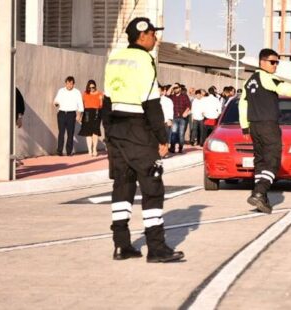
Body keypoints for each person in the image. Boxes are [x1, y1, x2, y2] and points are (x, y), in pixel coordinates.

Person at [104, 17, 183, 263]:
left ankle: (122, 245)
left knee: (122, 185)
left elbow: (106, 100)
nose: (156, 38)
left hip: (116, 128)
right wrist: (162, 137)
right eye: (152, 34)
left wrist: (109, 133)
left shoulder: (114, 58)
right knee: (152, 187)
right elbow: (151, 103)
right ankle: (157, 248)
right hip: (138, 129)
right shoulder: (145, 60)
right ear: (142, 36)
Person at [238, 48, 291, 213]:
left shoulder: (249, 81)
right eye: (272, 62)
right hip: (268, 125)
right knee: (273, 161)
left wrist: (245, 126)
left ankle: (263, 198)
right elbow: (283, 87)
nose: (275, 66)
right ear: (262, 62)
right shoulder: (266, 78)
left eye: (277, 63)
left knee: (260, 161)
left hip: (254, 126)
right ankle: (259, 192)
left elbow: (243, 105)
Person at [53, 76, 83, 156]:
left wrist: (78, 115)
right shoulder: (61, 91)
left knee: (70, 133)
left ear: (74, 84)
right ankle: (59, 151)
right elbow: (56, 100)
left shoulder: (77, 92)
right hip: (62, 113)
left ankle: (69, 151)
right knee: (61, 133)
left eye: (71, 84)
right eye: (68, 83)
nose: (69, 85)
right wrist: (56, 103)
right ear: (65, 83)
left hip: (71, 114)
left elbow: (80, 104)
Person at [78, 80, 103, 157]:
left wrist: (101, 99)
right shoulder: (85, 94)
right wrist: (79, 115)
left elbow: (101, 106)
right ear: (88, 87)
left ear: (95, 86)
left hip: (96, 112)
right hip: (87, 113)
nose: (92, 89)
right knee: (88, 132)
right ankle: (89, 150)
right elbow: (81, 105)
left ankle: (95, 149)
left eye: (93, 87)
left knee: (95, 131)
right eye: (90, 87)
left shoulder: (100, 94)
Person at [168, 83, 190, 153]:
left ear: (180, 88)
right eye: (174, 88)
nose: (175, 89)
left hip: (182, 118)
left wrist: (186, 112)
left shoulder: (184, 96)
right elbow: (167, 94)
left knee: (181, 133)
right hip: (174, 117)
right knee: (173, 133)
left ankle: (180, 148)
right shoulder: (172, 96)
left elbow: (188, 105)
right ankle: (172, 148)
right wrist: (172, 86)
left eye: (176, 88)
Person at [159, 84, 174, 153]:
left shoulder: (168, 100)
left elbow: (171, 110)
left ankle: (164, 152)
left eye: (158, 90)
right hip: (156, 122)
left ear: (162, 91)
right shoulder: (154, 100)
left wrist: (170, 119)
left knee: (166, 137)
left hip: (165, 121)